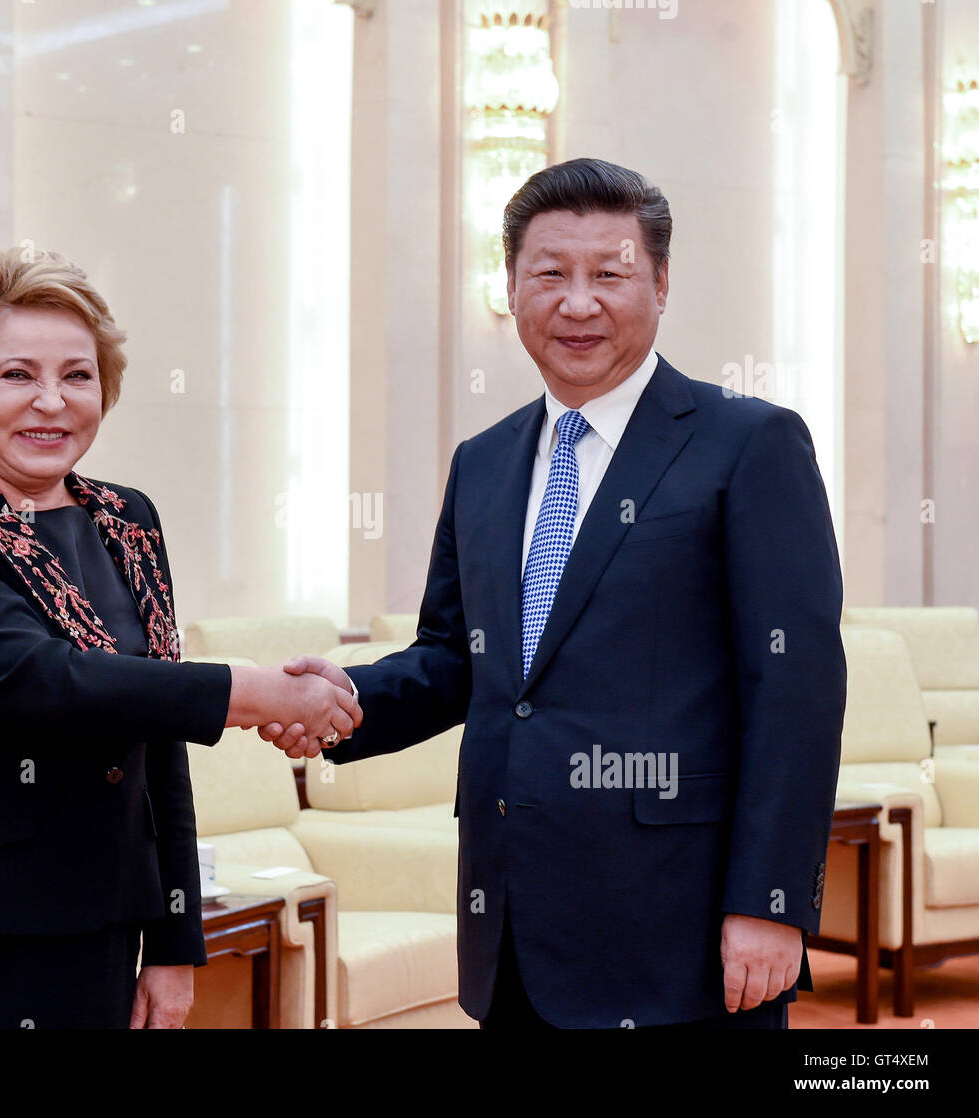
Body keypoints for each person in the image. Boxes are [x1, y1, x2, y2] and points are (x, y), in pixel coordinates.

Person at [261, 157, 846, 1029]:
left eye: (609, 276)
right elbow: (459, 659)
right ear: (510, 287)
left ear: (661, 285)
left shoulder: (747, 444)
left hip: (678, 936)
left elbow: (795, 693)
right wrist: (345, 700)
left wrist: (769, 902)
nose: (578, 303)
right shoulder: (485, 462)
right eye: (549, 275)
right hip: (512, 926)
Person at [0, 246, 361, 1029]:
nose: (51, 402)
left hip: (98, 932)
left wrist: (176, 941)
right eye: (17, 375)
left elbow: (157, 742)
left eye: (77, 376)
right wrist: (257, 694)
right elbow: (41, 682)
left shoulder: (127, 520)